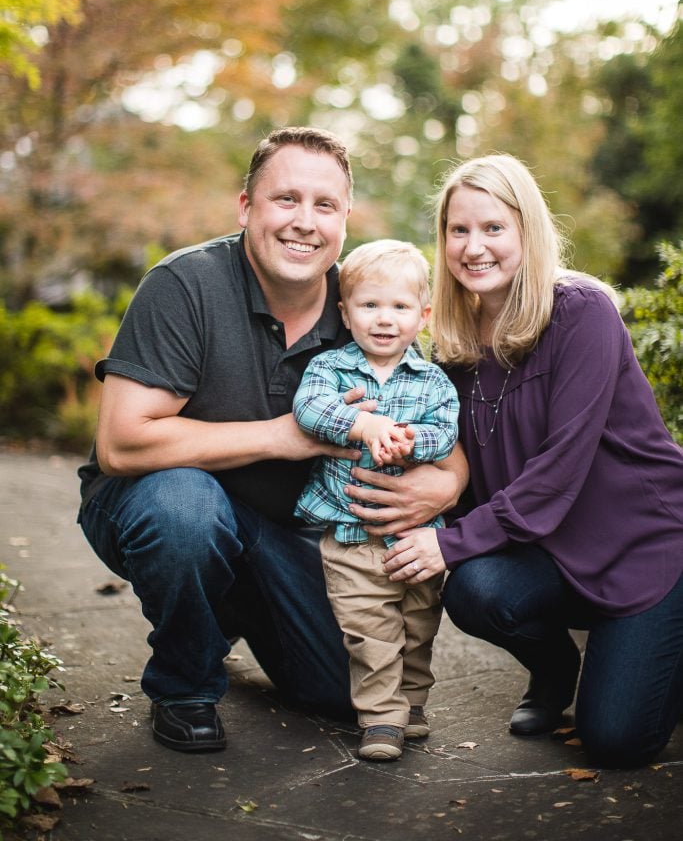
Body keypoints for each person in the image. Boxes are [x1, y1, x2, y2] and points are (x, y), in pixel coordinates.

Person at [77, 126, 468, 753]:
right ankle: (184, 685)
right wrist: (286, 437)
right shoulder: (185, 286)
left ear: (345, 219)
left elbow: (438, 429)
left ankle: (223, 610)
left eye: (325, 206)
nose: (304, 223)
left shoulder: (363, 306)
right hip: (153, 503)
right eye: (285, 199)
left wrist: (444, 485)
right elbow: (123, 444)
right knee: (186, 511)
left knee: (347, 696)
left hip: (281, 527)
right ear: (245, 207)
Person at [378, 152, 683, 769]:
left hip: (646, 546)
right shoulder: (453, 349)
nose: (473, 246)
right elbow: (458, 461)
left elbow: (561, 466)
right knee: (477, 591)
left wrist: (450, 542)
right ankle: (555, 670)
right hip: (555, 550)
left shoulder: (579, 312)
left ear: (527, 231)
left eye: (494, 228)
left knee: (617, 740)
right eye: (458, 230)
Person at [293, 239, 460, 761]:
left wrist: (415, 442)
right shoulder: (330, 369)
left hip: (414, 540)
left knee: (417, 625)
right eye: (369, 305)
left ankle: (411, 704)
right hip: (350, 536)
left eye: (399, 307)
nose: (384, 319)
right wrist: (360, 424)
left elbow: (447, 432)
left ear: (423, 315)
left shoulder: (433, 381)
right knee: (370, 632)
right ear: (345, 312)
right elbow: (309, 411)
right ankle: (380, 720)